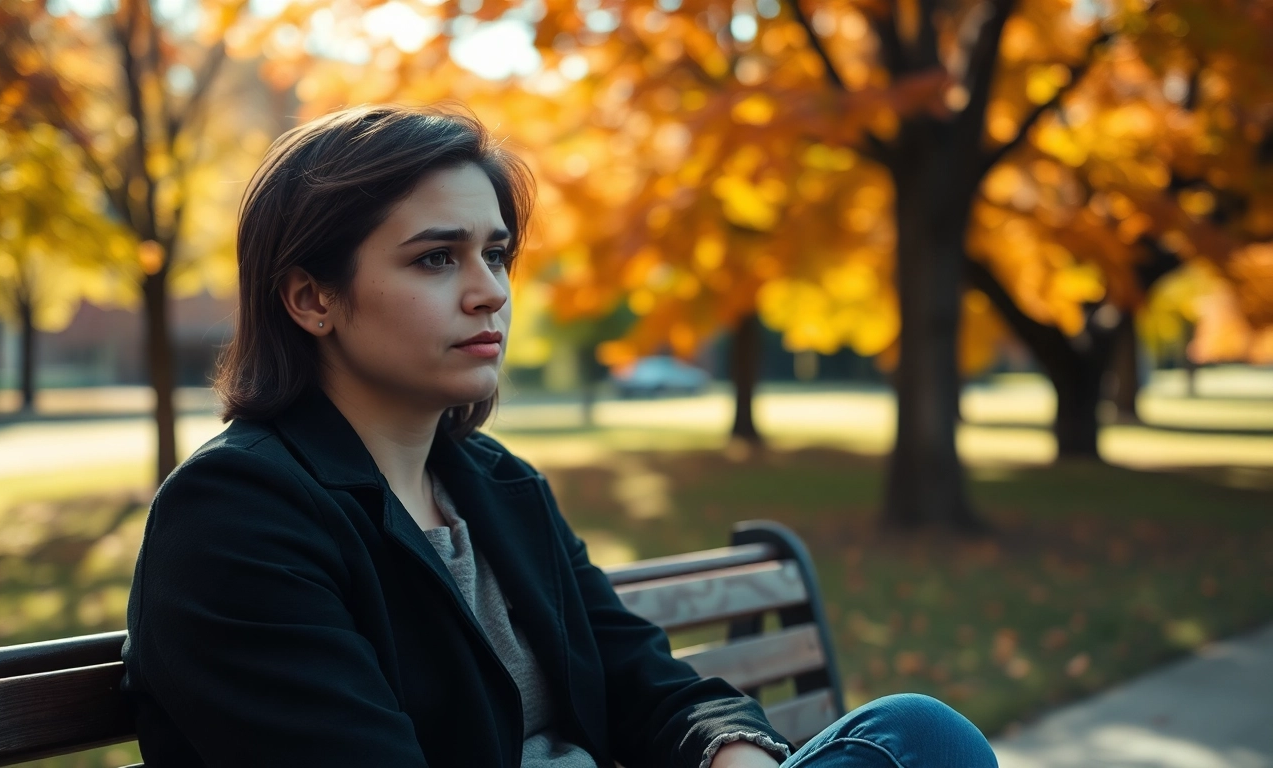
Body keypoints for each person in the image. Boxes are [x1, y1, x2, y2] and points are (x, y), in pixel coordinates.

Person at [120, 104, 998, 768]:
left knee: (912, 735)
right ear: (312, 297)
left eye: (495, 254)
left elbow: (640, 680)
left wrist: (732, 754)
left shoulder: (493, 484)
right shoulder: (238, 517)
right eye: (436, 258)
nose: (490, 292)